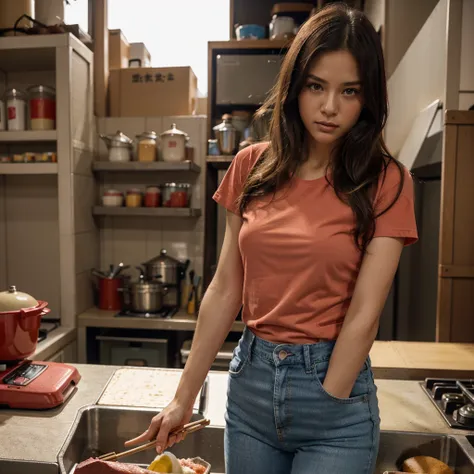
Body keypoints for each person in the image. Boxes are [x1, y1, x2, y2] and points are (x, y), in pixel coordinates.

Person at [125, 3, 418, 473]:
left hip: (333, 402)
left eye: (349, 91)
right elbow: (225, 288)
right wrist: (183, 398)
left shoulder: (387, 180)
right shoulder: (251, 166)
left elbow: (366, 311)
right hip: (250, 387)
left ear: (368, 100)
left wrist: (331, 393)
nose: (329, 107)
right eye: (316, 86)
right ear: (295, 86)